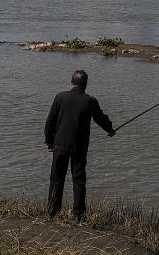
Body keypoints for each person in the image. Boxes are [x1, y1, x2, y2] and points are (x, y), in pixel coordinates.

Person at [44, 69, 114, 221]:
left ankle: (52, 213)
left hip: (60, 145)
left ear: (71, 82)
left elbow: (50, 122)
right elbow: (100, 119)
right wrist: (110, 129)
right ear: (86, 84)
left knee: (56, 179)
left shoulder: (60, 97)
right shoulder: (90, 101)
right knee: (78, 179)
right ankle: (78, 216)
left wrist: (48, 141)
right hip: (79, 147)